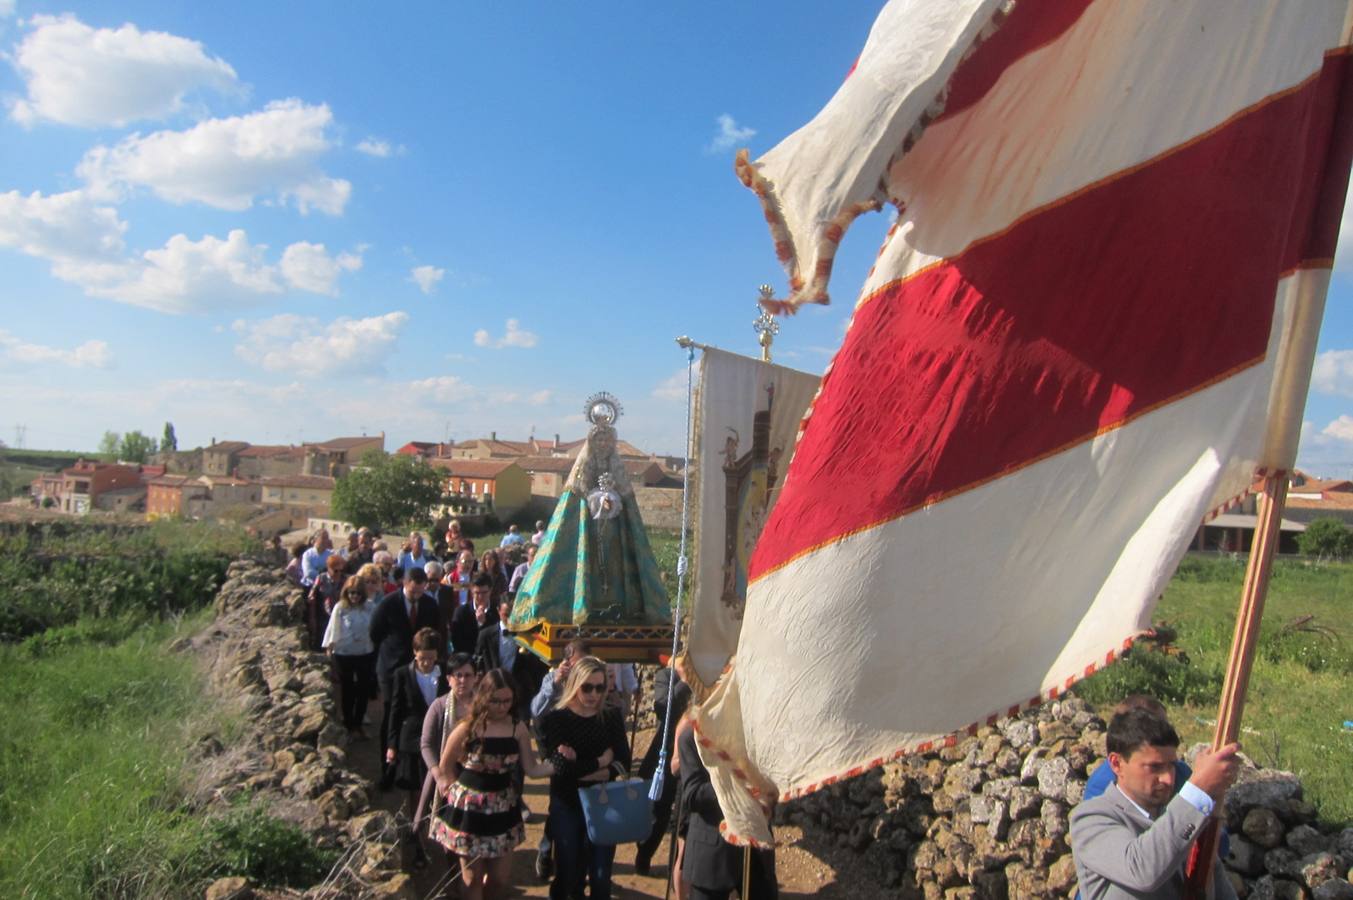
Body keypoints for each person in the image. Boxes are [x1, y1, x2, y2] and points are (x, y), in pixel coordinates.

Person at [1070, 707, 1241, 900]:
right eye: (1155, 767)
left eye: (1171, 765)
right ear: (1117, 764)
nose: (1168, 779)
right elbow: (1142, 870)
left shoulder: (1183, 819)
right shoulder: (1090, 818)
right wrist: (1198, 788)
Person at [431, 668, 553, 900]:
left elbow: (531, 768)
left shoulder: (518, 728)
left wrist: (560, 764)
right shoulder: (468, 727)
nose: (502, 706)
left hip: (503, 808)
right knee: (472, 878)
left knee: (499, 879)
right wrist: (452, 792)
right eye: (496, 701)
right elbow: (445, 766)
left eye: (507, 701)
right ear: (484, 698)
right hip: (469, 809)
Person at [538, 656, 631, 900]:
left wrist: (587, 768)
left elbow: (623, 762)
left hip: (603, 802)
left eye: (600, 688)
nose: (594, 694)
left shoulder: (610, 717)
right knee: (568, 873)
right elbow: (562, 769)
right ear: (575, 684)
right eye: (587, 687)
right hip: (568, 803)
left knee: (601, 876)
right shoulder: (557, 719)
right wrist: (601, 762)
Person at [678, 707, 777, 900]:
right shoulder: (691, 737)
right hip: (712, 857)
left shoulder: (753, 733)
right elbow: (692, 795)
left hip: (756, 850)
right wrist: (736, 785)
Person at [369, 568, 442, 789]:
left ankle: (414, 767)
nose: (417, 594)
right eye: (413, 590)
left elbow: (437, 632)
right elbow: (375, 632)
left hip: (421, 667)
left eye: (421, 590)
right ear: (405, 583)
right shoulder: (388, 604)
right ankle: (388, 768)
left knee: (418, 714)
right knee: (392, 713)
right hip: (392, 668)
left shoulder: (430, 605)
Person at [528, 638, 591, 882]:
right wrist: (555, 683)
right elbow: (536, 709)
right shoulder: (553, 678)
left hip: (586, 748)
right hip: (558, 749)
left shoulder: (594, 680)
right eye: (575, 664)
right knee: (560, 802)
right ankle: (547, 849)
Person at [387, 627, 447, 868]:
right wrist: (391, 744)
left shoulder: (446, 674)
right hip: (412, 741)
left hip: (440, 739)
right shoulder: (403, 674)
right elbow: (395, 710)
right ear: (415, 653)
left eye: (431, 658)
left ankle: (436, 834)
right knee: (416, 792)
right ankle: (418, 839)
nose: (427, 663)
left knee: (437, 791)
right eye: (423, 658)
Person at [634, 656, 694, 875]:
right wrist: (685, 681)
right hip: (667, 754)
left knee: (684, 816)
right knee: (659, 811)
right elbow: (663, 708)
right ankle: (645, 854)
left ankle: (676, 869)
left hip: (695, 758)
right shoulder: (666, 676)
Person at [416, 653, 477, 849]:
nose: (463, 680)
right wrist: (438, 774)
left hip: (475, 775)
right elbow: (426, 744)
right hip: (445, 774)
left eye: (468, 675)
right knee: (447, 831)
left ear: (476, 678)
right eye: (458, 675)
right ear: (448, 679)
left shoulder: (482, 708)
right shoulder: (439, 707)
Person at [322, 575, 377, 739]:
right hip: (344, 654)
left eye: (358, 593)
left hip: (365, 652)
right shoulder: (340, 608)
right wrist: (329, 649)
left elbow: (376, 627)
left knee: (363, 689)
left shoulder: (370, 607)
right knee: (347, 689)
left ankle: (358, 724)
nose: (355, 596)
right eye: (352, 593)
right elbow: (333, 629)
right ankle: (348, 724)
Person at [306, 553, 347, 650]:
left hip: (340, 614)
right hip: (323, 614)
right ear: (329, 568)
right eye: (336, 571)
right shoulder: (321, 578)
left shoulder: (345, 580)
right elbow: (312, 593)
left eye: (341, 570)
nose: (338, 573)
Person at [451, 573, 497, 657]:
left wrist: (483, 624)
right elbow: (457, 641)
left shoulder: (497, 611)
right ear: (472, 591)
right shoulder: (461, 612)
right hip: (468, 657)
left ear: (490, 591)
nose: (480, 596)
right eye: (477, 593)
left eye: (484, 592)